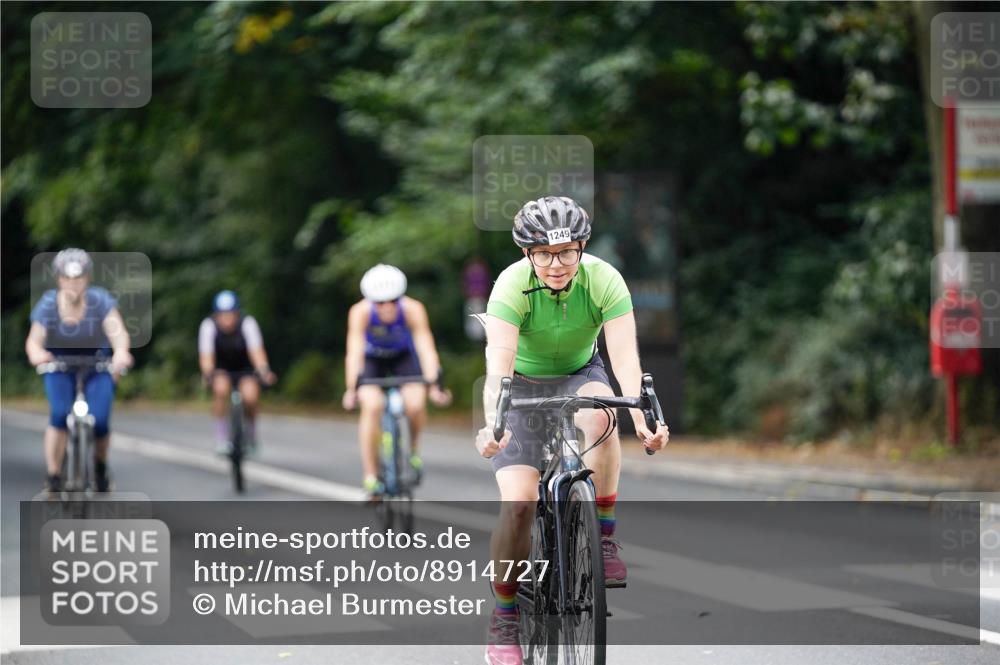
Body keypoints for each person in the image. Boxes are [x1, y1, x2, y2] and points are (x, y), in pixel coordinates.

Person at [474, 196, 670, 665]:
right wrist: (492, 425)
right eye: (544, 254)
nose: (556, 264)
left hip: (583, 371)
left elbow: (624, 358)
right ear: (528, 255)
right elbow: (498, 365)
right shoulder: (509, 286)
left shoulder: (604, 279)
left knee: (601, 414)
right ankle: (504, 616)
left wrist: (643, 419)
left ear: (582, 247)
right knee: (519, 504)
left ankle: (602, 535)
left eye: (566, 252)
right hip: (520, 385)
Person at [25, 249, 134, 493]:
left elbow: (118, 332)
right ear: (59, 279)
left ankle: (100, 465)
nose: (73, 284)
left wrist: (120, 353)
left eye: (79, 278)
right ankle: (53, 474)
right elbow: (34, 340)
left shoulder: (100, 301)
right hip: (59, 365)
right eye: (68, 278)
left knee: (102, 420)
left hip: (97, 365)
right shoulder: (48, 305)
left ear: (88, 278)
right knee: (59, 415)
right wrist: (37, 355)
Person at [342, 264, 451, 499]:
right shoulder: (359, 312)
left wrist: (434, 385)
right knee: (371, 406)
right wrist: (352, 388)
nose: (387, 307)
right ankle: (370, 475)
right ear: (370, 300)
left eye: (392, 300)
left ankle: (412, 451)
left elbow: (425, 347)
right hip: (372, 361)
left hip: (403, 358)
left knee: (415, 404)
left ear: (400, 297)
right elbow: (354, 352)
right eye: (379, 302)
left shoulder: (413, 309)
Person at [198, 290, 277, 455]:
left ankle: (251, 434)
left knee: (250, 396)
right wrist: (207, 373)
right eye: (222, 315)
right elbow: (206, 357)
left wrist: (264, 370)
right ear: (217, 315)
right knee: (220, 389)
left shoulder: (247, 323)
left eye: (230, 315)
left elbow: (257, 352)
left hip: (245, 369)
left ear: (237, 313)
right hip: (221, 369)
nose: (227, 320)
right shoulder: (208, 326)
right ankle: (222, 438)